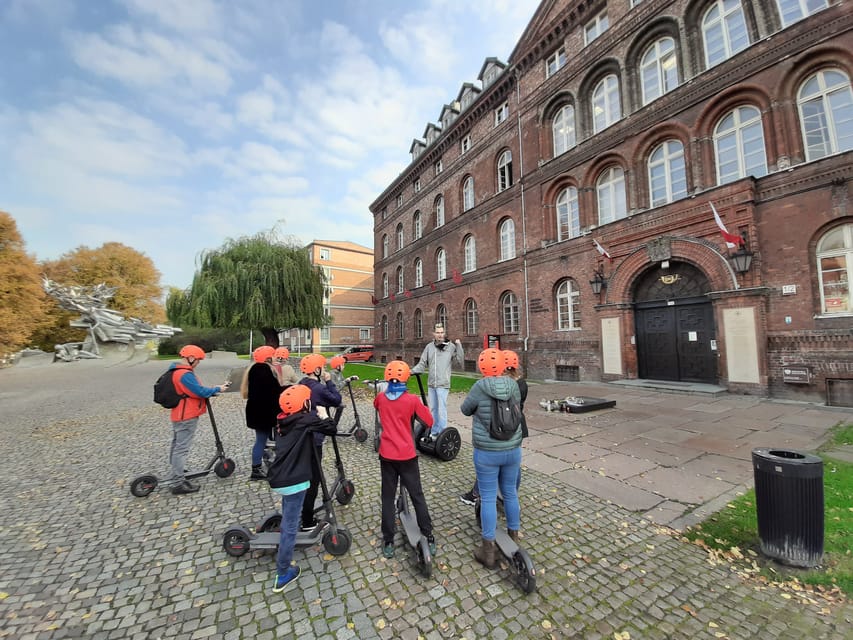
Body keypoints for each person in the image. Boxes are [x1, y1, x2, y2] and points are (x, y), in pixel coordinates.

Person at [267, 384, 338, 594]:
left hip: (282, 475)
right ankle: (283, 572)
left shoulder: (283, 419)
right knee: (290, 525)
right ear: (305, 404)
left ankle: (297, 526)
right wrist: (324, 414)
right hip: (293, 479)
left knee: (291, 513)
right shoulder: (305, 420)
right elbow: (331, 429)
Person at [459, 348, 522, 569]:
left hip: (487, 451)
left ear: (481, 366)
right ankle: (513, 537)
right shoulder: (513, 385)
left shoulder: (479, 387)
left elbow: (465, 409)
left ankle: (488, 550)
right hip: (512, 448)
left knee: (487, 498)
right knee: (510, 493)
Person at [373, 360, 436, 558]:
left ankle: (388, 540)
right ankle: (428, 534)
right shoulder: (412, 400)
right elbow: (428, 421)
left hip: (387, 454)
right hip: (407, 455)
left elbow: (378, 406)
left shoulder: (381, 398)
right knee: (417, 495)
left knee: (387, 497)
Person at [459, 349, 528, 505]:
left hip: (493, 432)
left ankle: (477, 493)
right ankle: (508, 497)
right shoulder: (518, 384)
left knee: (489, 469)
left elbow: (467, 408)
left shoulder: (491, 385)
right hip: (515, 427)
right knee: (513, 468)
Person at [165, 345, 230, 495]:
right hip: (186, 415)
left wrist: (212, 390)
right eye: (198, 360)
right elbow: (199, 391)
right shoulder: (184, 374)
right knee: (181, 448)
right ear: (191, 358)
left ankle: (177, 471)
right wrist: (217, 389)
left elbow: (194, 390)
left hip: (180, 414)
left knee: (177, 445)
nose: (198, 363)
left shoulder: (176, 370)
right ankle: (178, 482)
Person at [297, 353, 342, 530]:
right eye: (321, 367)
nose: (324, 370)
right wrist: (329, 381)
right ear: (316, 370)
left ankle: (301, 510)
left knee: (306, 476)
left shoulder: (301, 383)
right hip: (314, 438)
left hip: (301, 435)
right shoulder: (318, 388)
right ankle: (307, 521)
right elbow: (336, 400)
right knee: (314, 479)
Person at [410, 323, 464, 439]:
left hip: (443, 384)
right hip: (432, 384)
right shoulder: (429, 347)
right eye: (437, 333)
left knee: (441, 409)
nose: (440, 335)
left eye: (441, 332)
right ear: (434, 334)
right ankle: (434, 433)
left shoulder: (450, 347)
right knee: (433, 409)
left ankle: (442, 434)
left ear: (444, 333)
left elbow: (459, 361)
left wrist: (459, 346)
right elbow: (422, 363)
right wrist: (411, 372)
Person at [242, 345, 286, 480]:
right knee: (264, 440)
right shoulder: (264, 371)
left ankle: (258, 467)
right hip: (265, 413)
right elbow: (274, 391)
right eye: (273, 355)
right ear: (268, 358)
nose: (275, 357)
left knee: (261, 440)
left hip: (256, 411)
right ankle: (259, 469)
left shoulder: (254, 369)